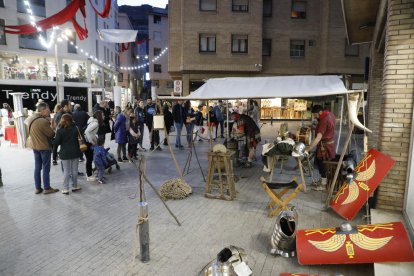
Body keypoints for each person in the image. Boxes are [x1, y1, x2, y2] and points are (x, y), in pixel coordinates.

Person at [25, 102, 59, 194]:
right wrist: (52, 126)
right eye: (48, 110)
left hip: (35, 147)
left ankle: (37, 188)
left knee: (37, 167)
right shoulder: (42, 121)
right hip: (44, 147)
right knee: (46, 168)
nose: (49, 111)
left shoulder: (30, 118)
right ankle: (47, 188)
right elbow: (51, 134)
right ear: (43, 110)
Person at [305, 105, 336, 191]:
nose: (315, 118)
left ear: (320, 112)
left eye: (315, 115)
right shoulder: (330, 114)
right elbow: (329, 128)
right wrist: (316, 127)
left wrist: (308, 149)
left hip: (325, 146)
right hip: (329, 143)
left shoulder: (324, 120)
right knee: (320, 163)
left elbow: (318, 138)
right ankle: (323, 181)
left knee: (323, 164)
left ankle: (323, 185)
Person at [54, 114, 82, 195]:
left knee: (66, 171)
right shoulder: (76, 128)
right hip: (75, 152)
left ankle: (66, 189)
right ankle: (75, 186)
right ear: (71, 120)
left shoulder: (60, 130)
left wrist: (51, 140)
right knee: (74, 170)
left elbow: (57, 142)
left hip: (65, 153)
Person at [84, 110, 103, 181]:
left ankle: (89, 174)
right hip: (87, 142)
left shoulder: (93, 121)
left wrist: (94, 139)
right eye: (102, 115)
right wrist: (91, 141)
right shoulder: (95, 123)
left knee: (89, 158)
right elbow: (87, 132)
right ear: (99, 116)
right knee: (89, 159)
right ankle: (89, 175)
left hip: (87, 141)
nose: (103, 116)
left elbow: (91, 133)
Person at [53, 99, 71, 165]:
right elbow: (59, 126)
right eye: (69, 105)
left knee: (56, 146)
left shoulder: (65, 113)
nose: (71, 106)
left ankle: (54, 159)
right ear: (65, 106)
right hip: (63, 136)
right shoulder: (61, 115)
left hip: (61, 135)